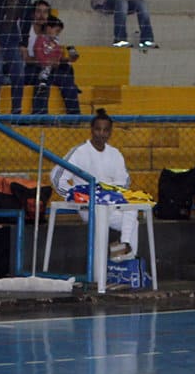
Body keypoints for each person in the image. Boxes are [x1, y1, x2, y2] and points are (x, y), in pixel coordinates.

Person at [54, 110, 138, 265]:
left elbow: (123, 182)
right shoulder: (79, 152)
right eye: (98, 129)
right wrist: (73, 196)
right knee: (108, 219)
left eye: (106, 130)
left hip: (110, 204)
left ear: (110, 132)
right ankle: (110, 264)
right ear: (92, 130)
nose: (102, 134)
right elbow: (57, 178)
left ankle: (121, 255)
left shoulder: (115, 154)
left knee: (132, 213)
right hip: (88, 206)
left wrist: (113, 196)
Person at [29, 13, 80, 115]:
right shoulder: (40, 40)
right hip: (43, 70)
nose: (57, 34)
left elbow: (59, 58)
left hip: (55, 70)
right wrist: (48, 62)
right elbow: (39, 56)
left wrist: (68, 59)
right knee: (42, 86)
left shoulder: (56, 43)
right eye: (56, 31)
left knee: (68, 84)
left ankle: (74, 115)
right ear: (48, 28)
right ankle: (40, 115)